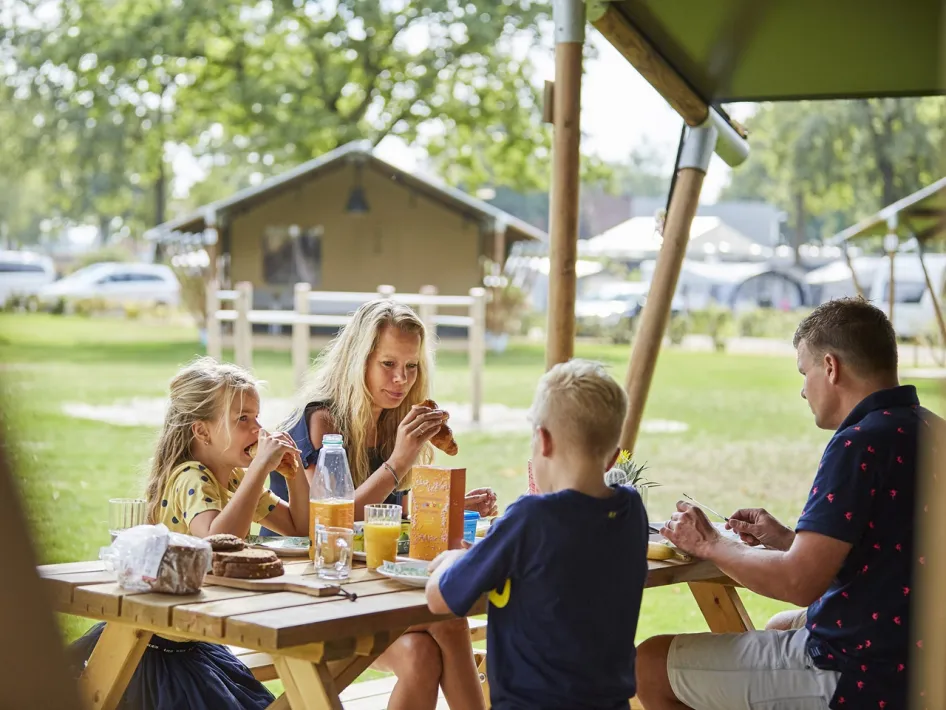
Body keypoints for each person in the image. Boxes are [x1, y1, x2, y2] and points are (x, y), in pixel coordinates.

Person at [637, 298, 932, 710]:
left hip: (863, 673)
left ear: (830, 367)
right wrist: (786, 540)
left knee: (648, 664)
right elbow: (890, 557)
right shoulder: (929, 429)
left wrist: (710, 544)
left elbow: (799, 583)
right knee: (778, 628)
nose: (802, 389)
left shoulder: (861, 442)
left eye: (804, 372)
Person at [265, 298, 493, 710]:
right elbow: (330, 514)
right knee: (451, 618)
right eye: (388, 364)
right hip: (305, 591)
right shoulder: (322, 420)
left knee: (422, 656)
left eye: (411, 367)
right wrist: (399, 460)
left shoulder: (390, 420)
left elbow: (383, 507)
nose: (401, 379)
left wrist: (441, 504)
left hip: (364, 588)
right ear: (359, 361)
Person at [70, 357, 308, 710]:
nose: (258, 429)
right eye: (242, 419)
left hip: (193, 642)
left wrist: (295, 475)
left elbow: (299, 529)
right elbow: (215, 546)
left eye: (256, 417)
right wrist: (259, 469)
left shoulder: (235, 480)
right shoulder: (191, 477)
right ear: (202, 431)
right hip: (157, 655)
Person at [426, 359, 649, 710]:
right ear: (613, 458)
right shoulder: (631, 511)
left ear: (543, 441)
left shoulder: (532, 519)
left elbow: (441, 599)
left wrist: (455, 559)